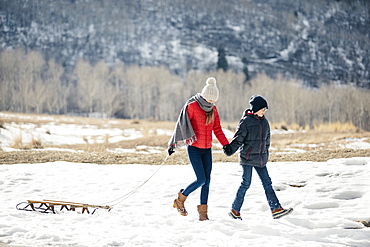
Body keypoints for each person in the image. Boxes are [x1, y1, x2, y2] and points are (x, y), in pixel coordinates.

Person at [168, 77, 230, 221]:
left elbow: (217, 129)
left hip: (207, 149)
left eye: (214, 100)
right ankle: (180, 200)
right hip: (194, 148)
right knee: (201, 179)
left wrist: (226, 144)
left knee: (207, 182)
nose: (212, 102)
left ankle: (203, 214)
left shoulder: (213, 109)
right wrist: (173, 144)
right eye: (210, 100)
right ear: (204, 96)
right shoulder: (192, 106)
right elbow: (181, 125)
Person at [223, 95, 293, 220]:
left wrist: (265, 152)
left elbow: (267, 140)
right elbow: (238, 139)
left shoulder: (265, 122)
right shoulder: (246, 121)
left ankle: (276, 209)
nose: (264, 112)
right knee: (246, 183)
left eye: (265, 110)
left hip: (261, 158)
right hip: (248, 158)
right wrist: (230, 149)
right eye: (262, 109)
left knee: (267, 183)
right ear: (255, 109)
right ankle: (235, 210)